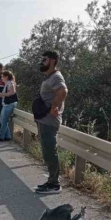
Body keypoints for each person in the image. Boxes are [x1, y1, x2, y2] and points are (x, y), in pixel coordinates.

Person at [35, 51, 68, 194]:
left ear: (53, 61)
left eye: (45, 59)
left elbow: (63, 91)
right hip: (44, 120)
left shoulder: (56, 76)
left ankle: (54, 184)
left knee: (50, 151)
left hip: (49, 122)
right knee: (47, 151)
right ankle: (51, 181)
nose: (42, 61)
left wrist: (54, 107)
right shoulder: (49, 77)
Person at [0, 70, 18, 142]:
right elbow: (7, 94)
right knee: (2, 120)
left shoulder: (10, 83)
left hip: (9, 104)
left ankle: (1, 137)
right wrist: (1, 94)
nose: (1, 78)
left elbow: (12, 92)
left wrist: (2, 94)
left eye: (2, 76)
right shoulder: (7, 83)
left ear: (6, 77)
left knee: (3, 121)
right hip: (6, 104)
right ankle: (7, 136)